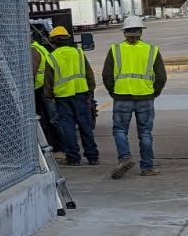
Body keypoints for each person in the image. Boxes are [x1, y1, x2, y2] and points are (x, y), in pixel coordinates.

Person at [102, 14, 166, 178]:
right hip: (145, 97)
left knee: (119, 130)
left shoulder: (115, 49)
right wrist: (154, 93)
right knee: (145, 133)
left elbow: (107, 75)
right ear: (141, 32)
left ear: (124, 32)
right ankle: (147, 167)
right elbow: (161, 77)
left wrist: (113, 92)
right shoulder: (151, 50)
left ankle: (124, 157)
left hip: (121, 97)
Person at [47, 26, 99, 166]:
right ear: (67, 39)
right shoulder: (78, 53)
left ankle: (73, 158)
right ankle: (92, 157)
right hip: (81, 95)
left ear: (53, 41)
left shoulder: (52, 57)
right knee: (85, 126)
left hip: (62, 98)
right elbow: (89, 74)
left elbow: (48, 80)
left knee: (68, 128)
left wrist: (48, 96)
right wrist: (90, 92)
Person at [30, 24, 61, 154]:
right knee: (52, 117)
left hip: (40, 88)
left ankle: (54, 144)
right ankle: (59, 144)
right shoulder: (40, 47)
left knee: (47, 119)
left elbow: (32, 71)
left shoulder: (32, 50)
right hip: (46, 86)